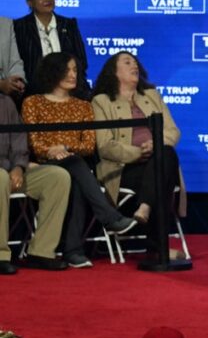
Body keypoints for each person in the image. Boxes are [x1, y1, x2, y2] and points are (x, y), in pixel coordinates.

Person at [21, 52, 138, 268]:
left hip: (74, 165)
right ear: (52, 72)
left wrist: (65, 148)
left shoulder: (83, 106)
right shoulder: (33, 103)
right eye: (67, 70)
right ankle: (104, 222)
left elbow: (88, 145)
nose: (73, 74)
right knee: (76, 166)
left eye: (75, 70)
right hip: (44, 165)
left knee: (75, 171)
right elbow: (33, 143)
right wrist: (51, 152)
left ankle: (72, 251)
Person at [91, 52, 183, 258]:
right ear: (113, 72)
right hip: (124, 168)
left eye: (135, 62)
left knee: (165, 155)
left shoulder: (151, 95)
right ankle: (159, 248)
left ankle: (145, 207)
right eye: (127, 62)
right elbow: (105, 145)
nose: (134, 65)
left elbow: (173, 131)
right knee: (161, 171)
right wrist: (139, 152)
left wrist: (156, 144)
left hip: (158, 160)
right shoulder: (101, 101)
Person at [0, 93, 72, 273]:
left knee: (57, 176)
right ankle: (1, 255)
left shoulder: (5, 102)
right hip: (1, 173)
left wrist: (18, 167)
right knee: (0, 177)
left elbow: (18, 141)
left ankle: (41, 252)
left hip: (11, 169)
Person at [13, 0, 90, 99]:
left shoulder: (69, 24)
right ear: (29, 2)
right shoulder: (19, 27)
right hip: (33, 93)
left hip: (70, 93)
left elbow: (81, 61)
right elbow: (18, 64)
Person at [0, 16, 26, 100]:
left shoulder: (6, 23)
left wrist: (17, 81)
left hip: (6, 99)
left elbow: (14, 60)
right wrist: (1, 84)